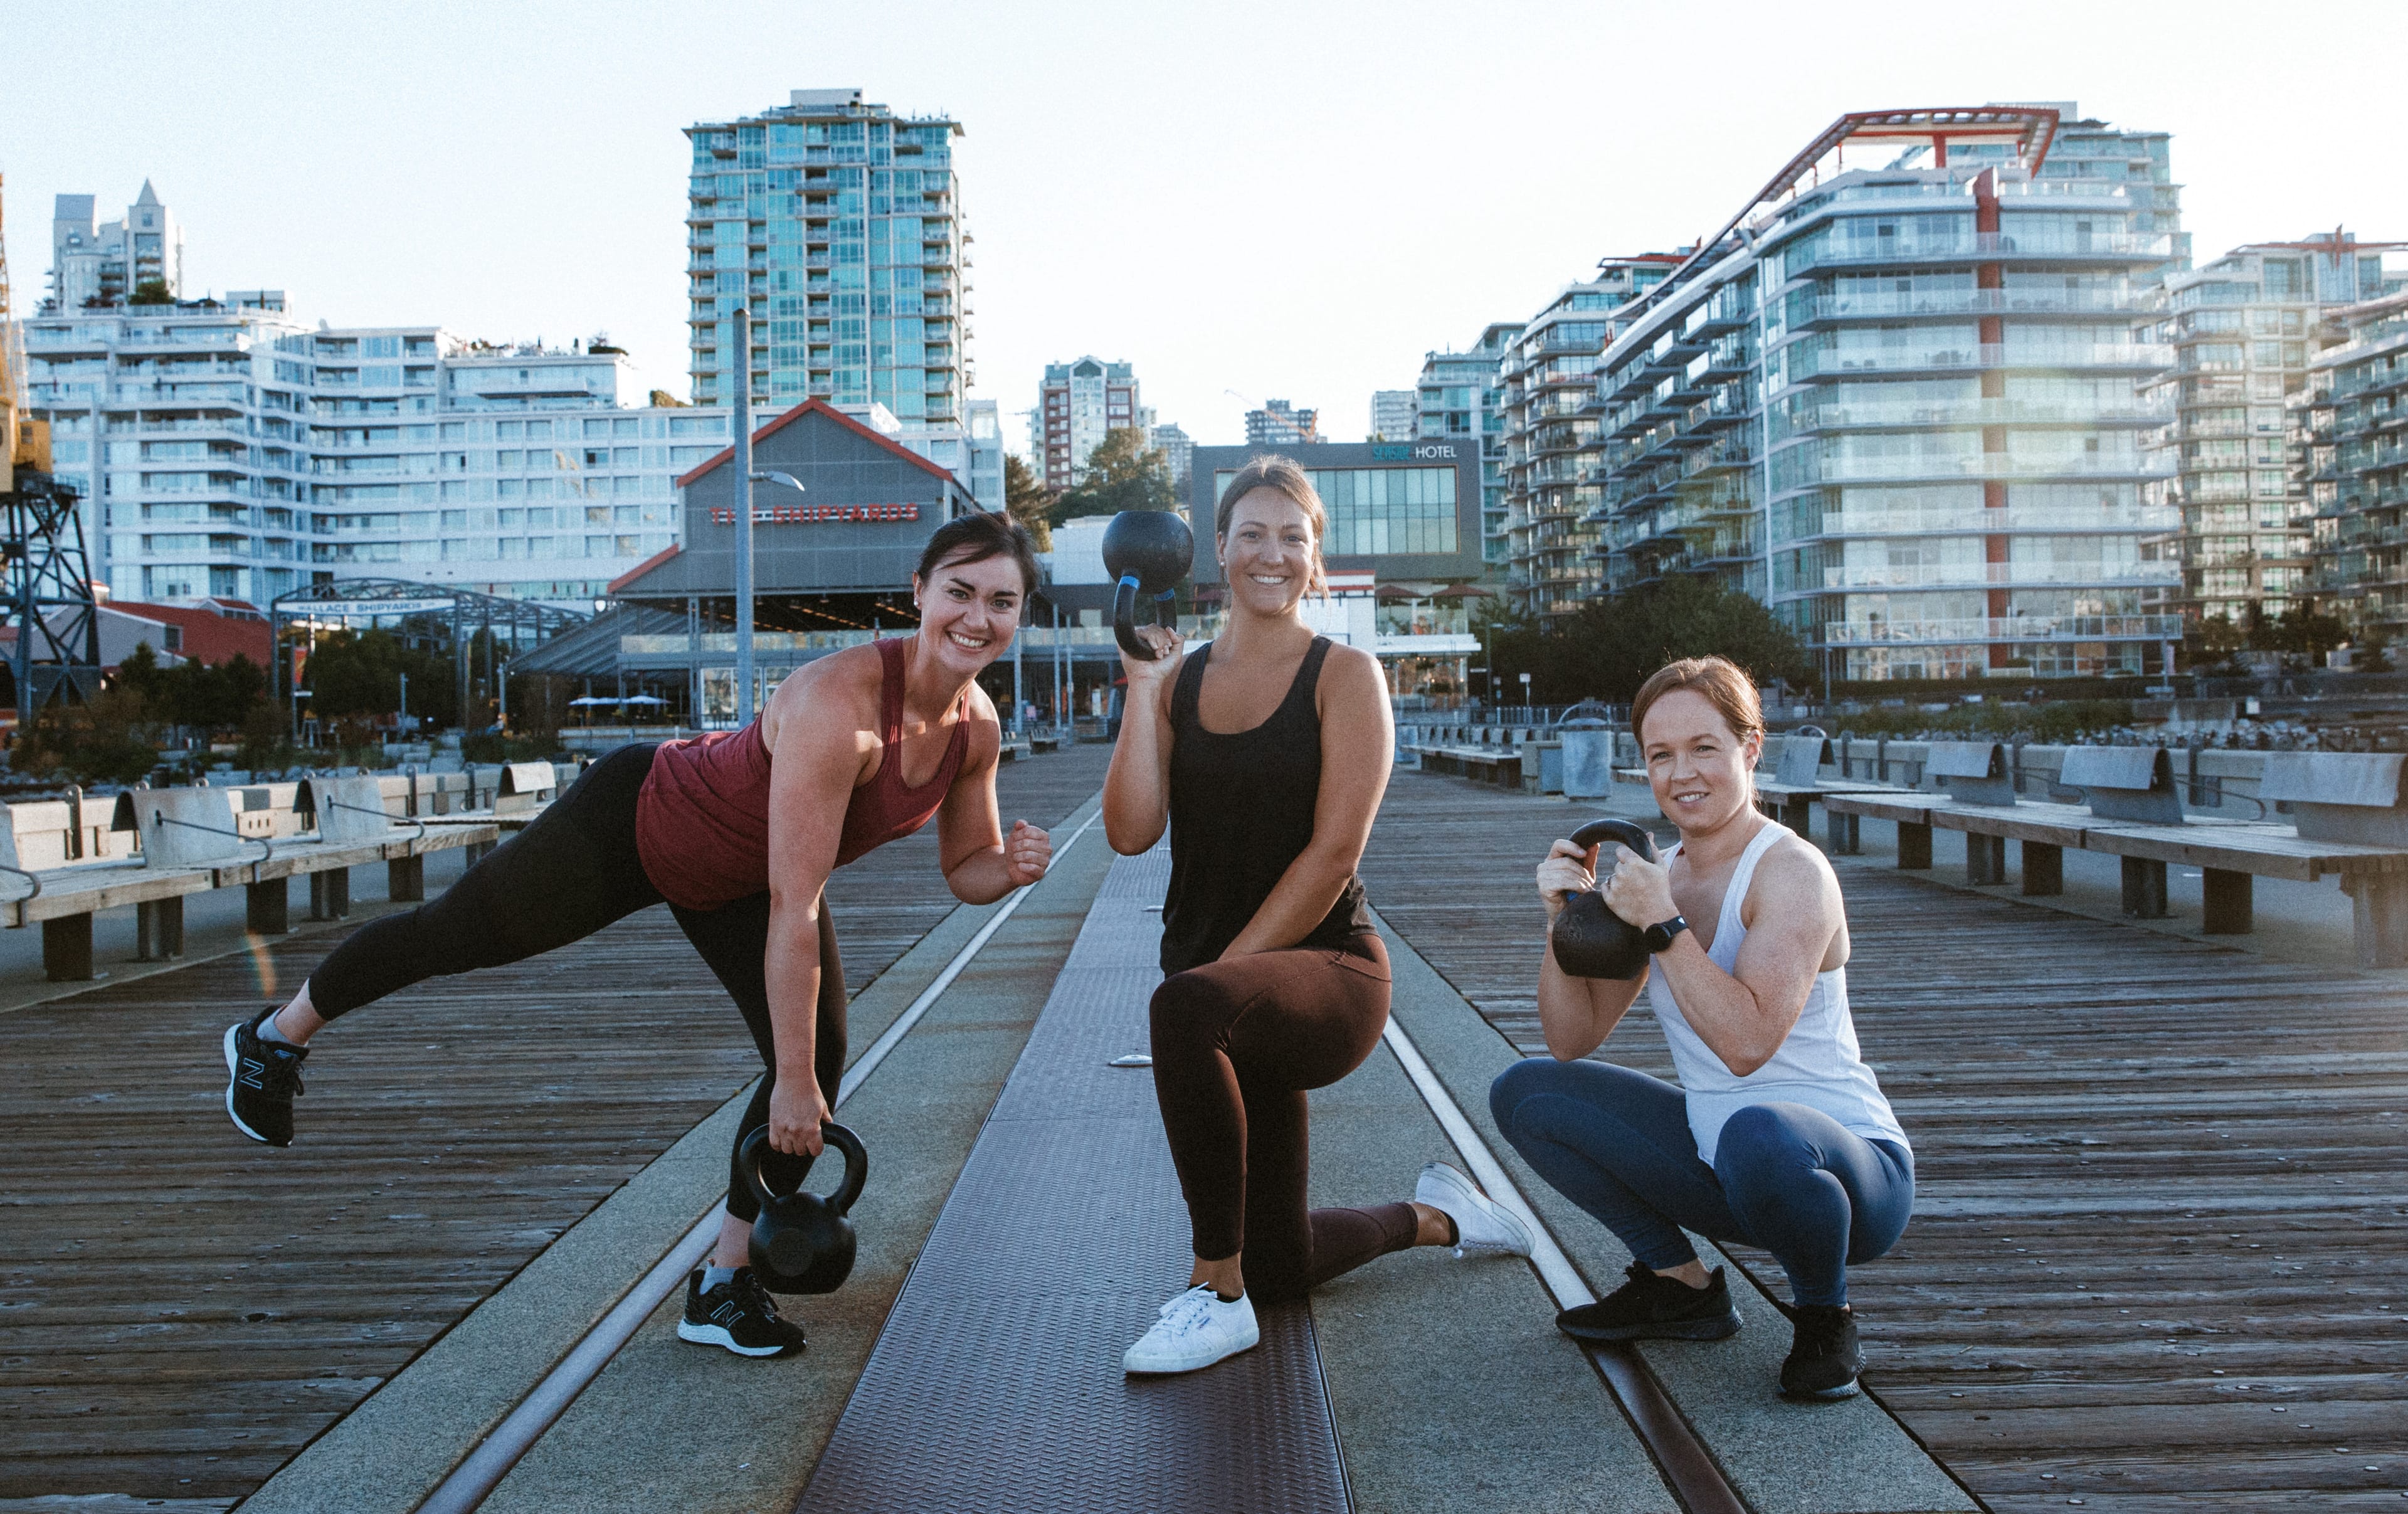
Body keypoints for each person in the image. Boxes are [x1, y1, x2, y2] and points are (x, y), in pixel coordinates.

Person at [220, 512, 1055, 1359]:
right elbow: (798, 903)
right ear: (918, 593)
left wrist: (1013, 865)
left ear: (1020, 612)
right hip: (636, 821)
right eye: (959, 591)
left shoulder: (975, 729)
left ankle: (724, 1285)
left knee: (818, 1056)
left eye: (1001, 600)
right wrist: (791, 1085)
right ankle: (273, 1037)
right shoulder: (838, 706)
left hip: (735, 880)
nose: (976, 618)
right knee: (455, 935)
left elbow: (967, 869)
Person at [1102, 456, 1531, 1377]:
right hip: (1228, 994)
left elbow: (1334, 854)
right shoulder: (1178, 681)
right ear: (1215, 549)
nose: (1272, 553)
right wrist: (1142, 690)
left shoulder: (1347, 676)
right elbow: (1131, 831)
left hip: (1326, 973)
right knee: (1284, 1265)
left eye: (1293, 537)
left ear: (1316, 557)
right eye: (1251, 534)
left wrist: (1215, 978)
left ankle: (1214, 1292)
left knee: (1186, 1006)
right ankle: (1443, 1213)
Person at [1489, 655, 1911, 1399]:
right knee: (1528, 1092)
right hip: (1726, 1160)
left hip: (1847, 1177)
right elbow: (1572, 1038)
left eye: (1704, 747)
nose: (1682, 772)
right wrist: (1563, 924)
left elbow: (1748, 1046)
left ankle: (1825, 1313)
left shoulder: (1792, 873)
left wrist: (1666, 925)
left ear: (1751, 750)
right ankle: (1679, 1285)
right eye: (1661, 754)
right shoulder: (1660, 877)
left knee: (1758, 1130)